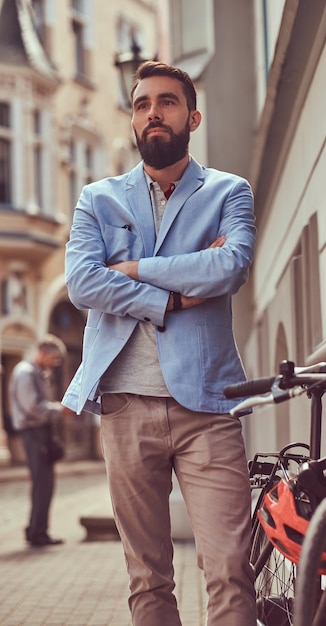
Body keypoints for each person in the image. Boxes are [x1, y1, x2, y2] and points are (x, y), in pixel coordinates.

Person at [63, 61, 257, 626]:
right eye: (142, 103)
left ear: (191, 116)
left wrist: (134, 269)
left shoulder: (227, 191)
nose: (153, 112)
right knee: (147, 578)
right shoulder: (99, 198)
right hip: (124, 404)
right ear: (133, 120)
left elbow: (230, 266)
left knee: (229, 568)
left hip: (208, 408)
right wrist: (168, 297)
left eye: (167, 102)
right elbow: (83, 283)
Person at [9, 334, 68, 547]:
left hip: (41, 431)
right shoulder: (25, 373)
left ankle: (36, 529)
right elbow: (32, 406)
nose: (56, 363)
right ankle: (37, 532)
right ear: (42, 352)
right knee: (42, 484)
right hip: (33, 432)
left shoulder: (39, 373)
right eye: (54, 359)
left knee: (44, 484)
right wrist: (61, 409)